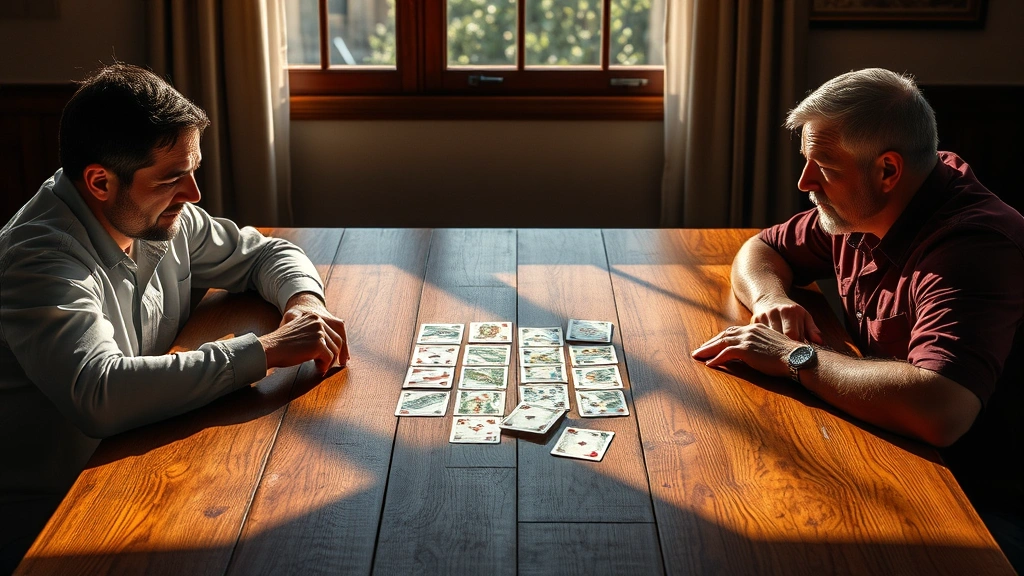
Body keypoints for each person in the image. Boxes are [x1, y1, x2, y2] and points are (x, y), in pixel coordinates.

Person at [0, 63, 349, 571]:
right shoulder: (39, 259)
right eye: (172, 179)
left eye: (193, 170)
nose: (193, 195)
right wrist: (268, 350)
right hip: (49, 522)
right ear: (99, 182)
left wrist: (305, 306)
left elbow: (266, 254)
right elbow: (100, 393)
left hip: (135, 464)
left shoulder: (157, 214)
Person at [691, 68, 1024, 569]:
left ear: (887, 170)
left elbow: (943, 408)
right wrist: (769, 299)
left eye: (822, 167)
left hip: (981, 500)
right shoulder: (863, 207)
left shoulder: (973, 246)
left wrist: (794, 357)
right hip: (894, 450)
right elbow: (758, 248)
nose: (804, 182)